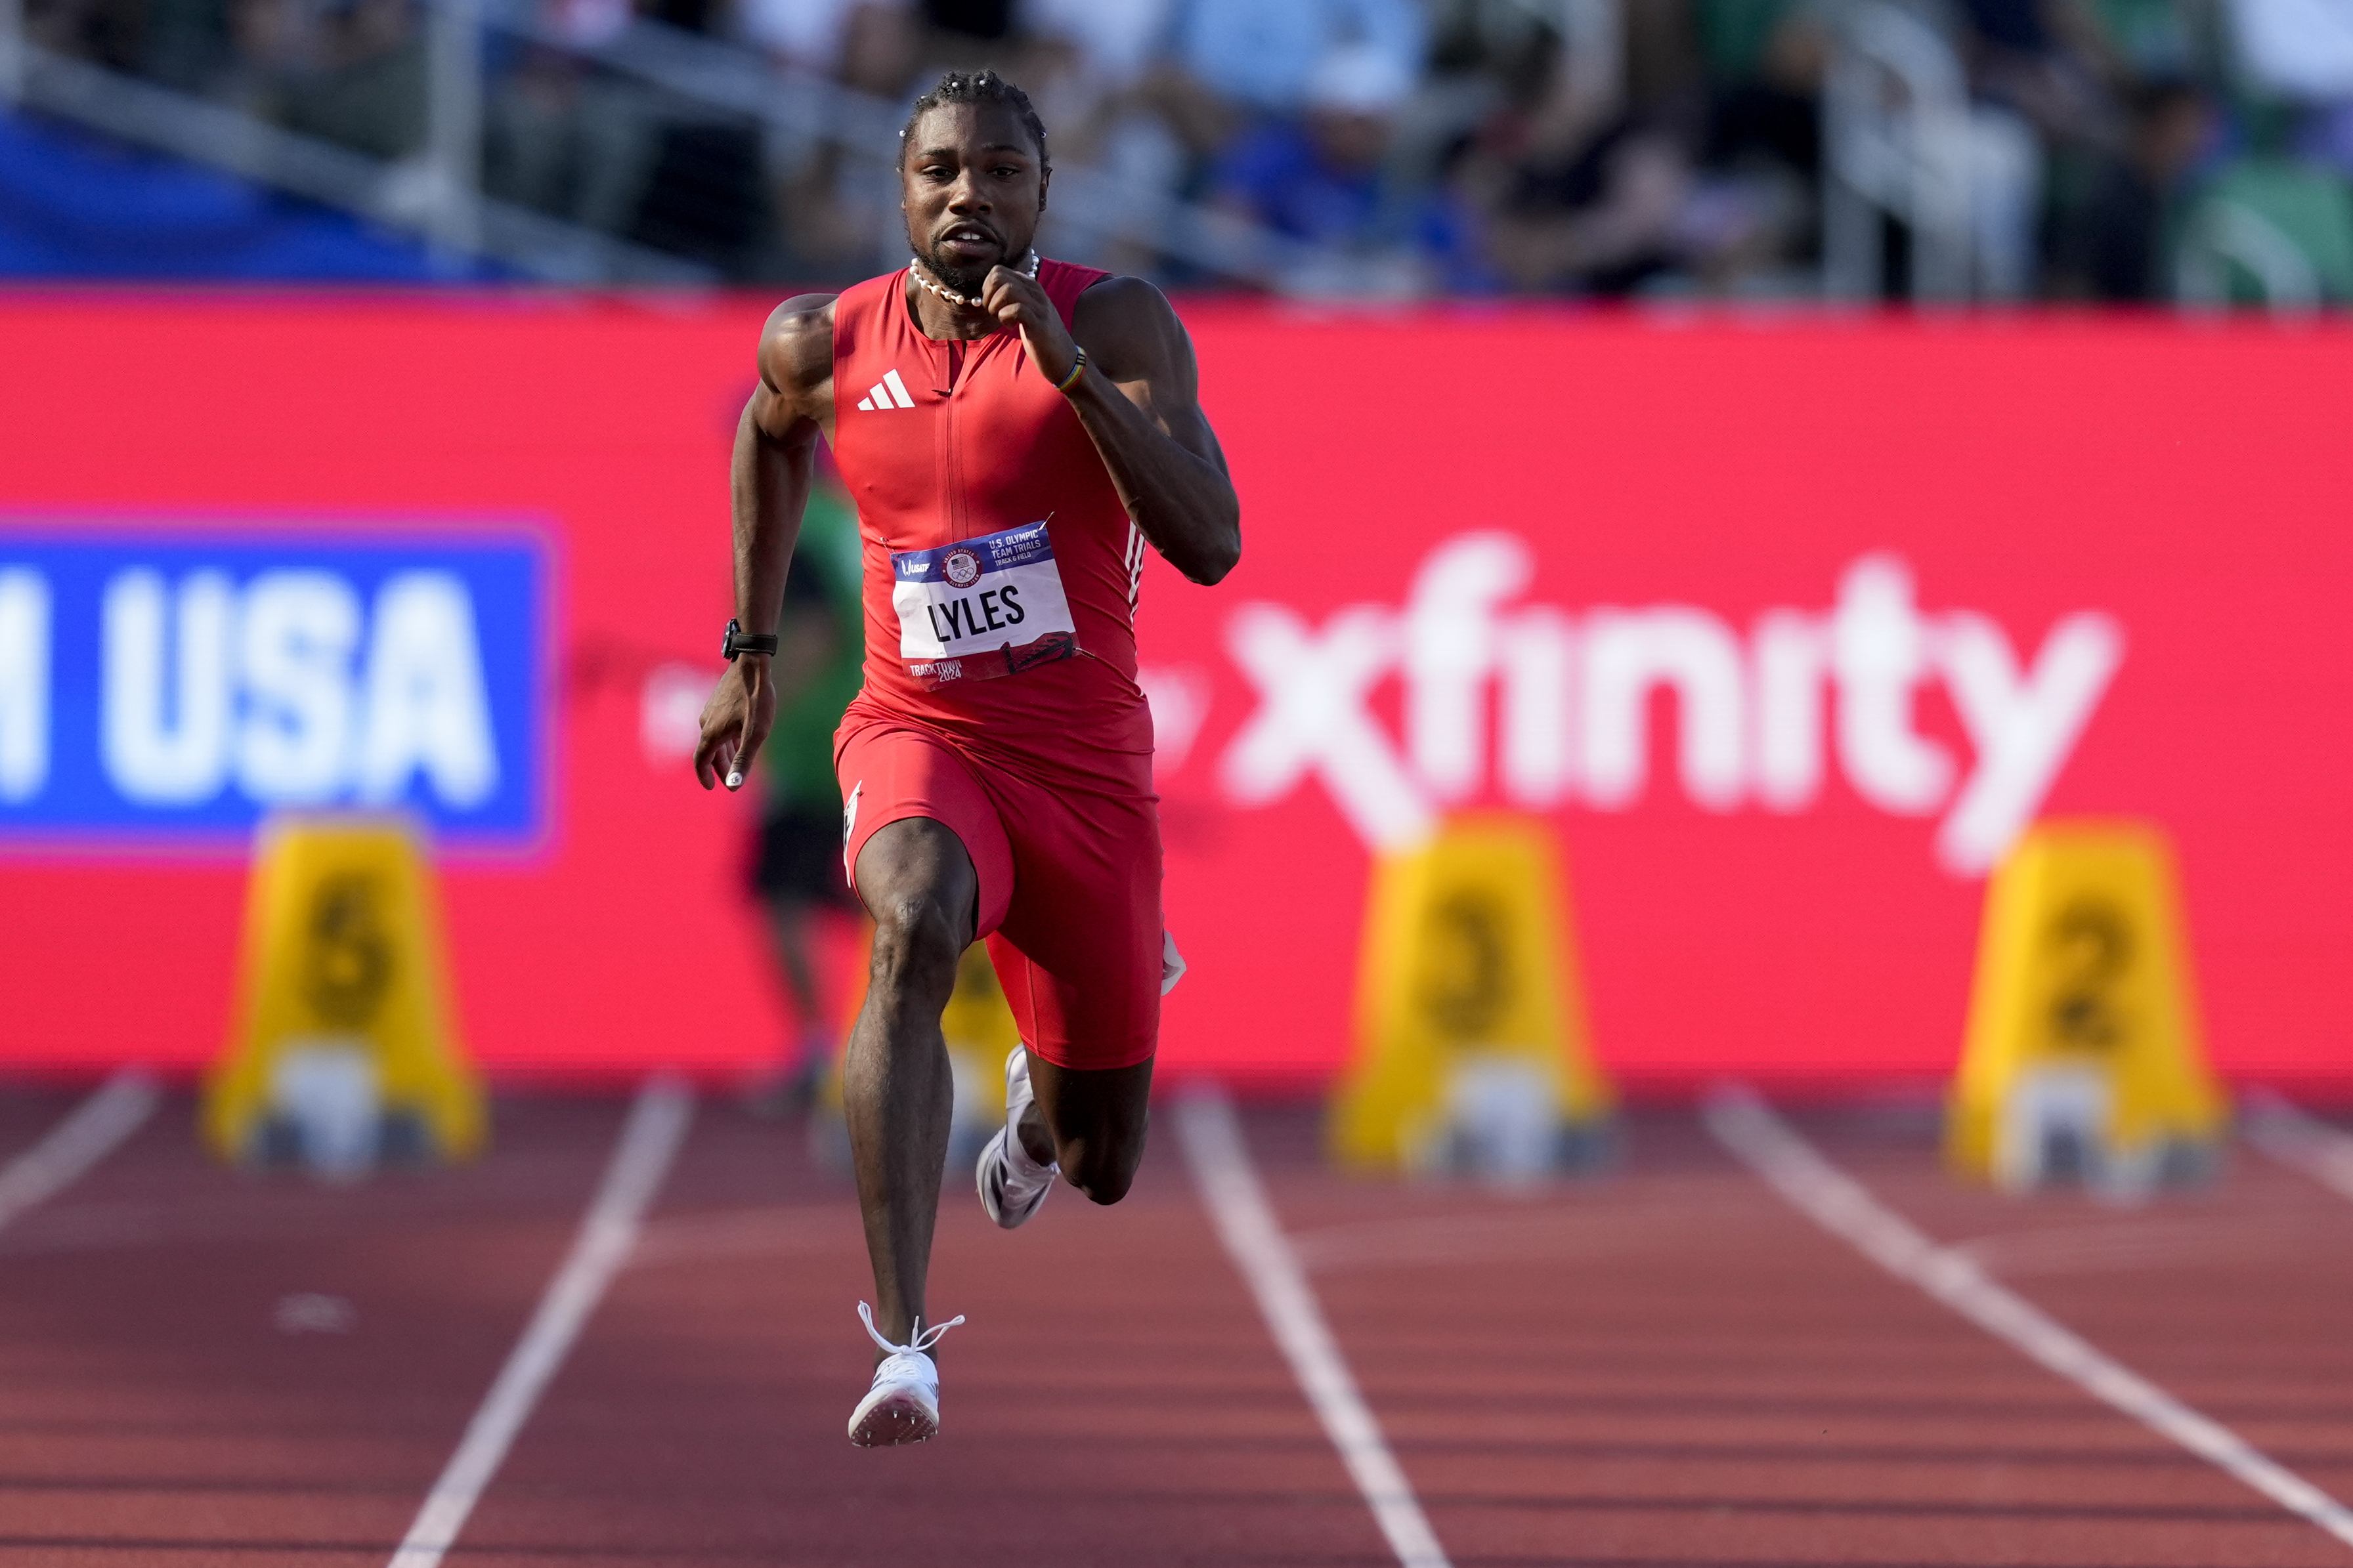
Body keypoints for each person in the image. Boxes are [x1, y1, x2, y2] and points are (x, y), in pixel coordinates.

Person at [693, 67, 1240, 1448]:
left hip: (1084, 770)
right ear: (902, 191)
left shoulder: (1116, 321)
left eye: (1001, 171)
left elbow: (1210, 540)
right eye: (940, 171)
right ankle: (904, 1344)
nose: (968, 195)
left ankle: (1038, 1124)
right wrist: (750, 651)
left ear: (1043, 192)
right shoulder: (825, 338)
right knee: (910, 922)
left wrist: (1069, 371)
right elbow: (767, 433)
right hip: (917, 729)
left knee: (1104, 1158)